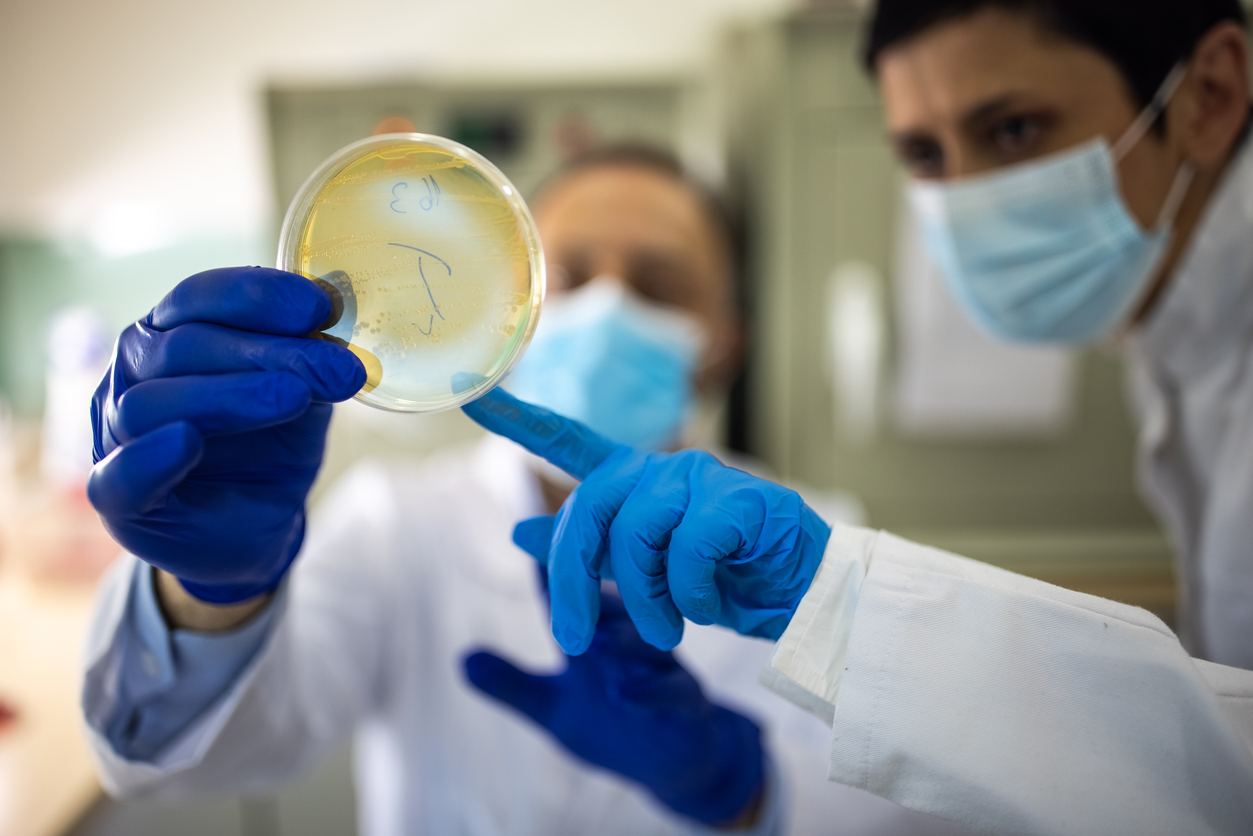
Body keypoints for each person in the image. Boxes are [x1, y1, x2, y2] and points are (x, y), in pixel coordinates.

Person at [447, 1, 1253, 832]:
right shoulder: (1183, 356)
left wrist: (817, 653)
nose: (966, 197)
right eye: (920, 152)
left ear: (1211, 93)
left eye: (1013, 130)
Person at [81, 147, 967, 835]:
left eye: (657, 285)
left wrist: (751, 794)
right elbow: (202, 761)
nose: (607, 308)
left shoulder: (812, 542)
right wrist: (209, 600)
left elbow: (918, 811)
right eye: (571, 277)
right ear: (517, 312)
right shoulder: (397, 522)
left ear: (724, 345)